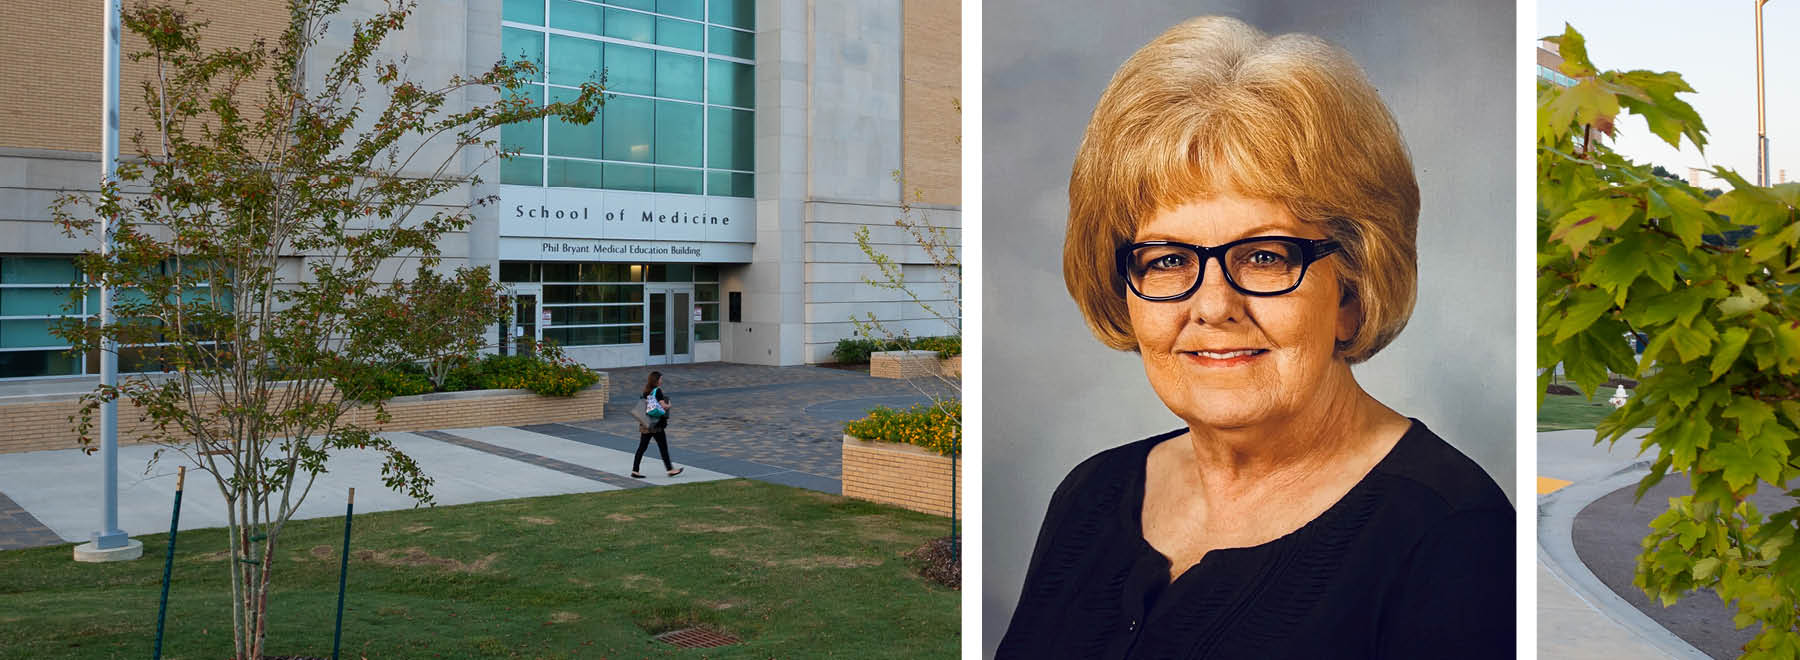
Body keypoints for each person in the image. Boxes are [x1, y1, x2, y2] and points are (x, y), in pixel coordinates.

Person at [997, 16, 1513, 659]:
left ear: (1351, 290)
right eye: (1166, 260)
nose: (1213, 306)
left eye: (1265, 256)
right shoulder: (1092, 494)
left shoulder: (1453, 537)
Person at [632, 371, 683, 478]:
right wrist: (669, 405)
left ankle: (635, 470)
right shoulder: (657, 391)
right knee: (663, 447)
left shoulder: (647, 391)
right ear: (656, 380)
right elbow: (663, 406)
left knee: (642, 447)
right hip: (656, 425)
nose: (661, 380)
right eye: (660, 379)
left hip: (646, 423)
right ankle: (670, 470)